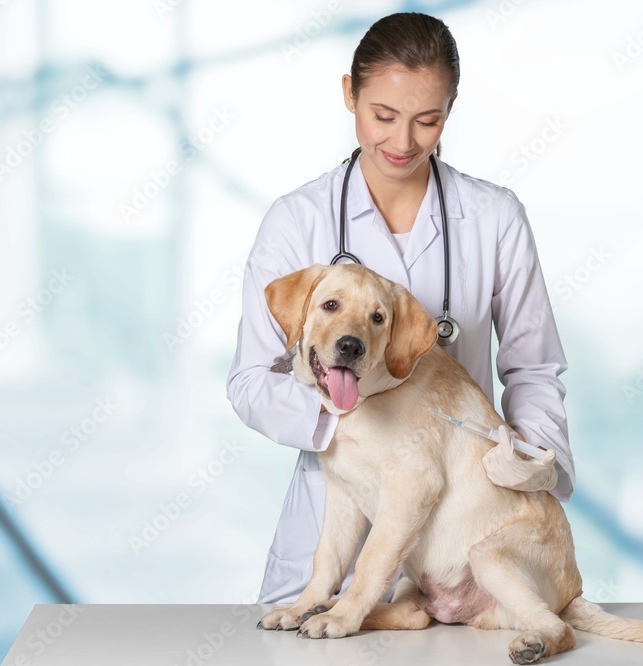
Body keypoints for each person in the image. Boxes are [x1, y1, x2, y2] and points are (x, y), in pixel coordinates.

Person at [226, 12, 574, 605]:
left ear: (450, 109)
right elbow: (250, 381)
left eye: (428, 119)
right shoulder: (297, 221)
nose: (403, 141)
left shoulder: (493, 218)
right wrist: (346, 414)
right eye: (382, 116)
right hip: (332, 518)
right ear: (348, 95)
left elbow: (533, 368)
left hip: (456, 536)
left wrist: (532, 453)